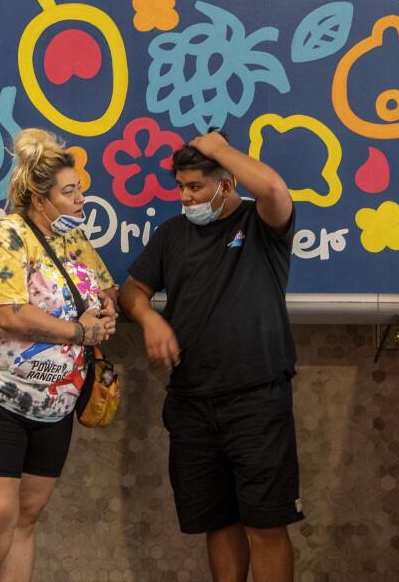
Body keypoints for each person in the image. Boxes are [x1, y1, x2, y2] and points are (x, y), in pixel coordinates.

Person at [119, 129, 301, 582]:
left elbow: (275, 189)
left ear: (227, 183)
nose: (185, 196)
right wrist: (149, 318)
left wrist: (217, 148)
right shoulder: (171, 234)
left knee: (266, 523)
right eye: (180, 187)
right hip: (192, 403)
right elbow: (132, 290)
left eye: (195, 187)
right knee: (218, 522)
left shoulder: (261, 226)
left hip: (257, 401)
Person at [0, 128, 119, 582]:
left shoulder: (76, 240)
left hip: (56, 401)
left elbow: (105, 287)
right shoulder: (4, 236)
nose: (81, 199)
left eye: (80, 189)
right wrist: (78, 331)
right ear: (38, 199)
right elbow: (8, 313)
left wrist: (106, 307)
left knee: (25, 518)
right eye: (69, 192)